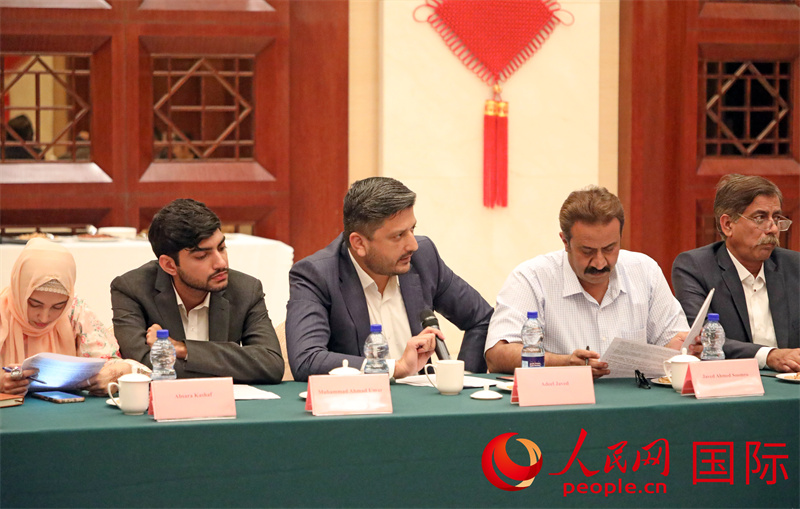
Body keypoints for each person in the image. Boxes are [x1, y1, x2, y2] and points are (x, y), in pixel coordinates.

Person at [286, 177, 493, 382]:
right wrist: (396, 368)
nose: (412, 245)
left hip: (422, 399)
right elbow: (307, 359)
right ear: (359, 243)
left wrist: (463, 378)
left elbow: (481, 320)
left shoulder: (423, 258)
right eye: (398, 236)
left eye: (412, 229)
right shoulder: (317, 275)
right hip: (360, 400)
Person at [485, 186, 698, 378]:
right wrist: (564, 363)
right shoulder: (531, 278)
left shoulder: (645, 271)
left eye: (609, 249)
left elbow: (672, 340)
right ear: (565, 242)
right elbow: (497, 355)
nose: (599, 262)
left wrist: (685, 347)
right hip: (560, 401)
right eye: (587, 251)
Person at [111, 198, 284, 383]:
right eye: (202, 256)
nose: (221, 263)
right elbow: (145, 367)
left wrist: (182, 349)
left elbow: (270, 364)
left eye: (222, 248)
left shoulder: (246, 290)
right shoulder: (132, 290)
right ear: (169, 265)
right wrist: (231, 366)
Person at [673, 174, 800, 372]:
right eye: (760, 218)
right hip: (728, 381)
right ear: (728, 225)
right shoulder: (695, 267)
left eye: (776, 218)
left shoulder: (794, 266)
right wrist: (770, 356)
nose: (773, 229)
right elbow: (702, 339)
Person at [0, 239, 149, 397]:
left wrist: (116, 373)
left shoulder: (74, 311)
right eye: (34, 304)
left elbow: (113, 362)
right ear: (20, 291)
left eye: (57, 307)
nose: (44, 318)